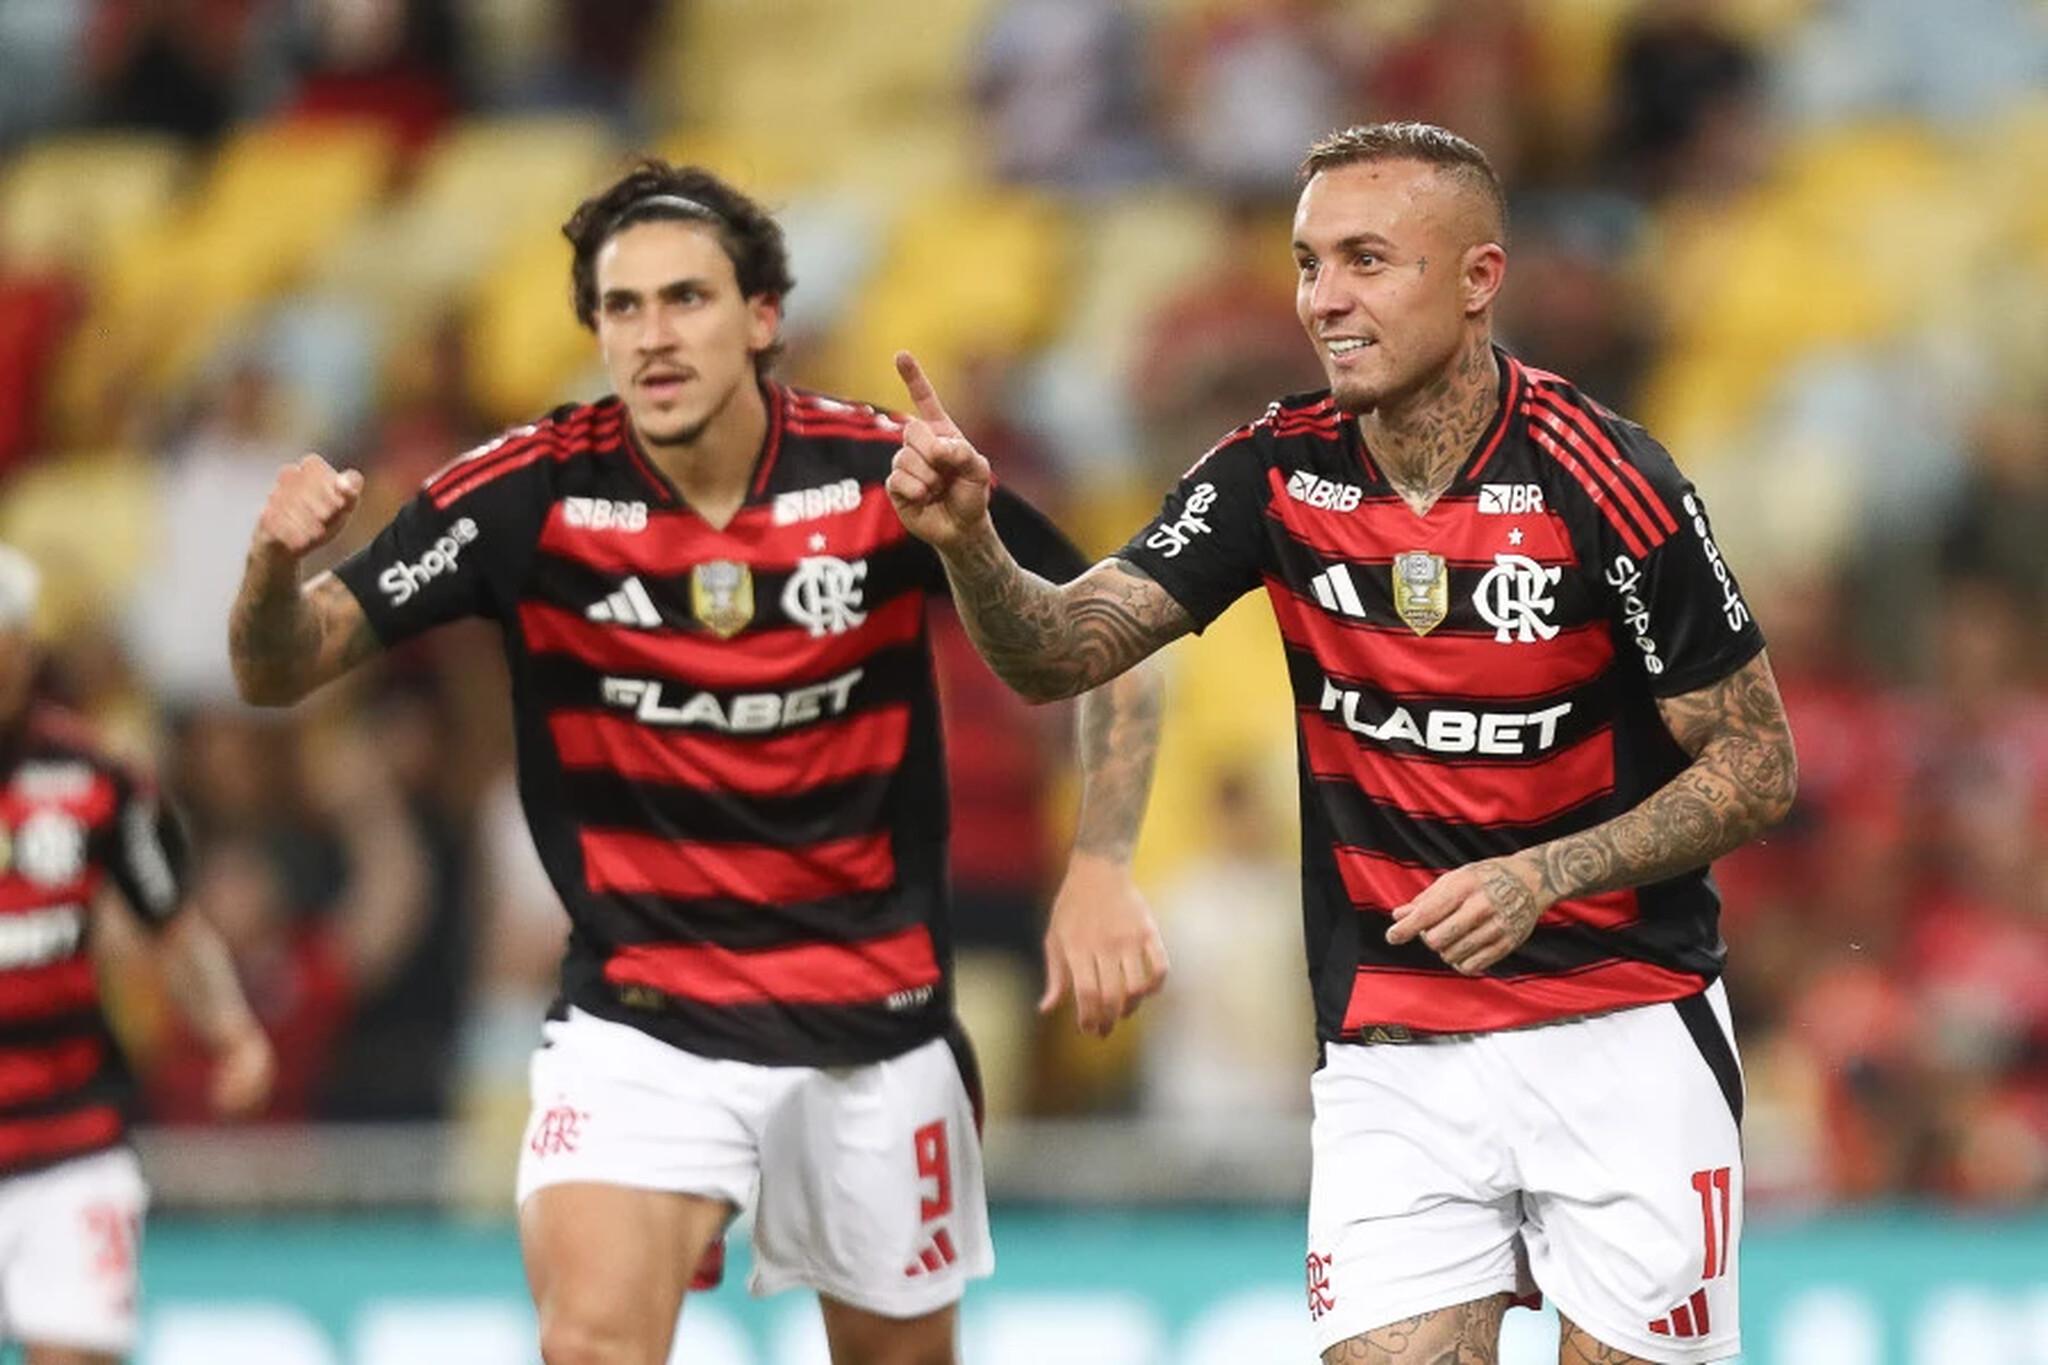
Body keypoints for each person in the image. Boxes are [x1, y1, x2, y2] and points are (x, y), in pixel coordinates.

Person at [886, 121, 1797, 1365]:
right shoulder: (1273, 471)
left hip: (1620, 1025)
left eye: (1366, 260)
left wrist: (1545, 873)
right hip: (1392, 1040)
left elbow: (1755, 764)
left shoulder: (1605, 480)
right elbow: (1064, 653)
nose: (1324, 300)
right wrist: (968, 548)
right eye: (1309, 263)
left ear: (1478, 277)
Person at [227, 160, 1166, 1365]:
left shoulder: (882, 474)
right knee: (591, 1343)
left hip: (869, 1027)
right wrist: (268, 570)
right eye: (622, 308)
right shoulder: (525, 495)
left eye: (686, 300)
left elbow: (1113, 649)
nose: (653, 337)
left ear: (761, 317)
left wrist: (1097, 864)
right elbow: (281, 665)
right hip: (640, 1022)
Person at [0, 545, 274, 1365]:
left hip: (70, 1137)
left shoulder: (97, 777)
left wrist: (233, 1033)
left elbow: (173, 924)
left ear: (23, 650)